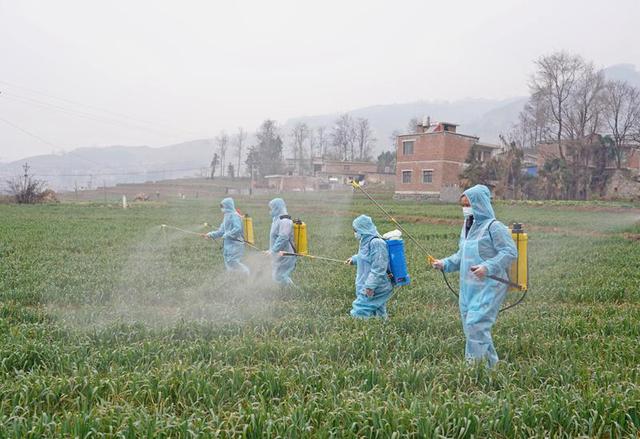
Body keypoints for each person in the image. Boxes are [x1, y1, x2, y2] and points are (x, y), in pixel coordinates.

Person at [431, 184, 517, 367]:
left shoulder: (495, 227)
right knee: (472, 328)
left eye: (467, 204)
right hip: (468, 287)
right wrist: (444, 263)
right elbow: (462, 256)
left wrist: (487, 267)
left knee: (476, 325)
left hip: (490, 284)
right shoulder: (467, 227)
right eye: (462, 206)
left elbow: (510, 252)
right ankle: (491, 366)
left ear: (479, 204)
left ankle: (474, 369)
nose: (465, 209)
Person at [346, 215, 393, 318]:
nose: (355, 233)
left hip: (377, 286)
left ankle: (357, 329)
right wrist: (354, 259)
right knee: (378, 310)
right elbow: (365, 257)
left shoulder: (377, 243)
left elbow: (379, 267)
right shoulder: (366, 241)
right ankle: (382, 327)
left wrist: (370, 286)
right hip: (369, 284)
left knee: (360, 308)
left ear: (363, 228)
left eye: (356, 230)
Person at [202, 197, 250, 274]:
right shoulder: (226, 216)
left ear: (228, 206)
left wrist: (227, 234)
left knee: (233, 261)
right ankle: (235, 279)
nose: (222, 209)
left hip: (236, 244)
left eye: (223, 206)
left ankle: (246, 273)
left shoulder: (234, 216)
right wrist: (210, 235)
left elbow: (238, 229)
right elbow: (221, 231)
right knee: (228, 263)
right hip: (228, 245)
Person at [266, 198, 296, 286]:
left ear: (277, 208)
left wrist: (273, 250)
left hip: (286, 253)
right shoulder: (276, 219)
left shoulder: (285, 220)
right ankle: (287, 291)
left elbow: (283, 237)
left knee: (280, 276)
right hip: (278, 253)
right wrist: (271, 250)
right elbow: (275, 238)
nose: (270, 211)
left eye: (271, 208)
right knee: (278, 276)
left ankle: (294, 292)